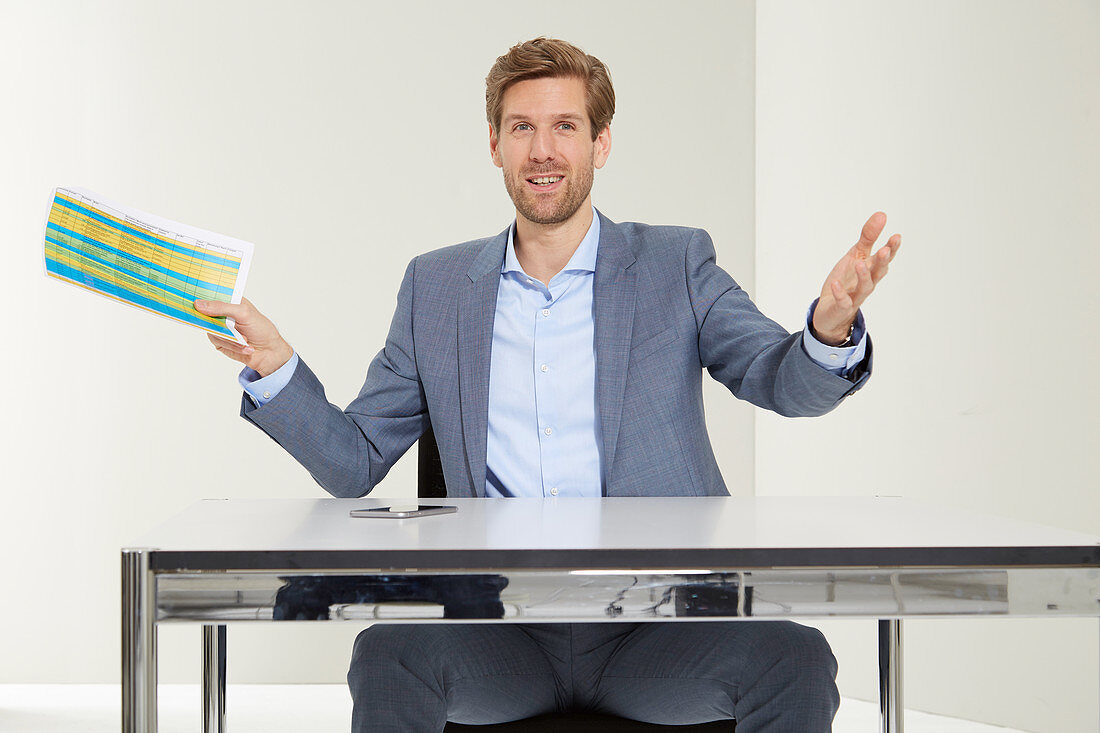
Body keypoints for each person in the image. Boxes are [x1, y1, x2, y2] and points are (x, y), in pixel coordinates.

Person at [197, 37, 899, 733]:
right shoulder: (435, 288)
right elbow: (353, 463)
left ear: (601, 144)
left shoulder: (675, 263)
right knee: (390, 653)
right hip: (498, 633)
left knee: (796, 657)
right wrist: (277, 366)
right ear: (495, 145)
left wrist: (829, 329)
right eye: (522, 127)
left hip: (656, 628)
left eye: (565, 126)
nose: (543, 150)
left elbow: (777, 379)